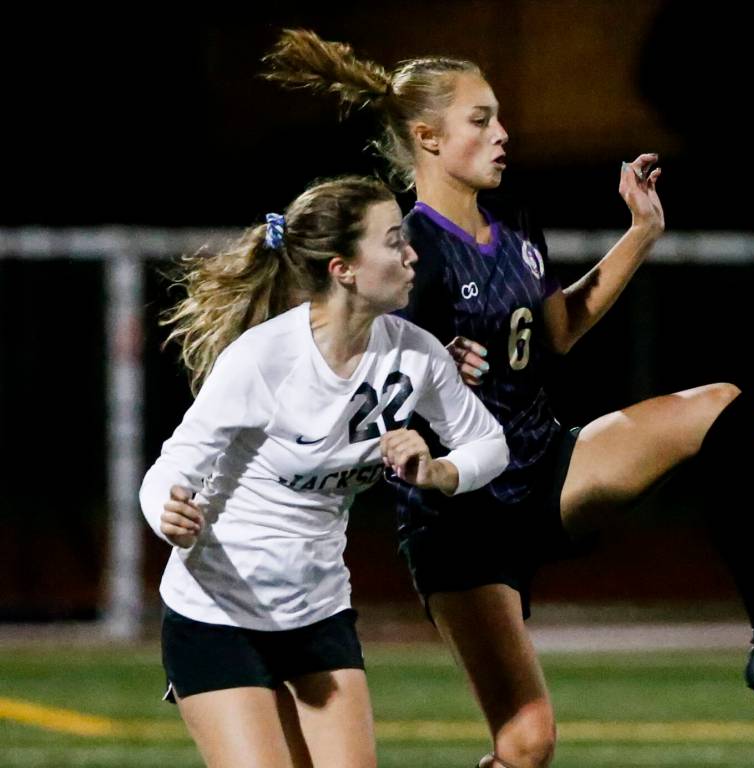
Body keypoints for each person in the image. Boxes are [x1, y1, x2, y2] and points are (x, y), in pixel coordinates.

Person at [264, 31, 754, 768]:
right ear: (427, 137)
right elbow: (354, 361)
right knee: (527, 744)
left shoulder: (514, 226)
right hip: (462, 521)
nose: (502, 133)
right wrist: (426, 367)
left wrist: (641, 232)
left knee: (721, 409)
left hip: (546, 466)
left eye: (498, 117)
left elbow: (557, 330)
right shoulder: (408, 248)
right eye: (481, 119)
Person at [139, 175, 509, 768]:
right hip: (218, 615)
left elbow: (488, 444)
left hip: (318, 613)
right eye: (393, 241)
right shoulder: (263, 360)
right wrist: (167, 510)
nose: (412, 254)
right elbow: (173, 464)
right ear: (343, 269)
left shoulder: (415, 353)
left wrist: (438, 470)